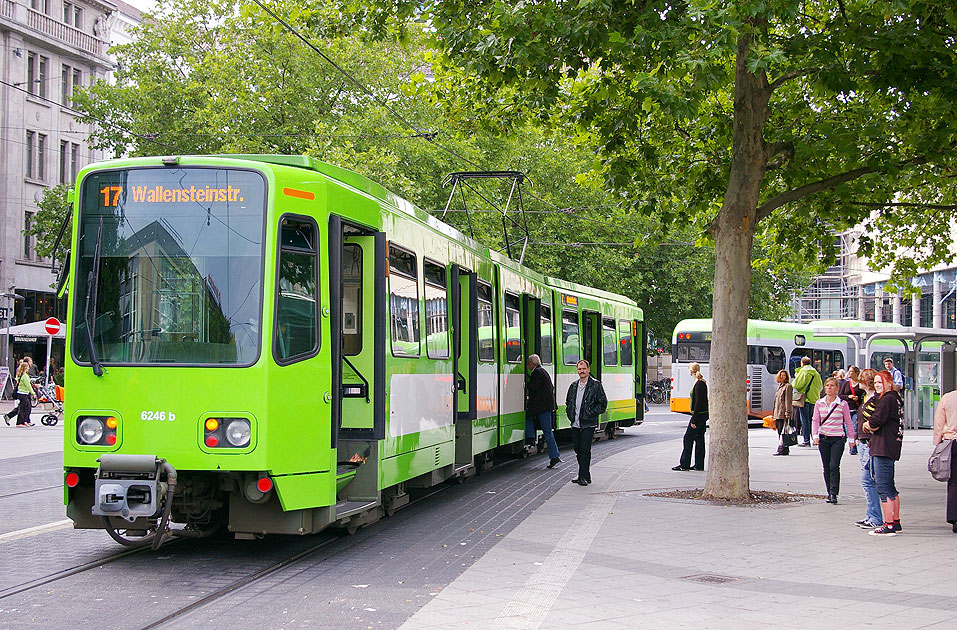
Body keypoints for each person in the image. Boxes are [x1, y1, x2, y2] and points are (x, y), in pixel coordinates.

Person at [862, 370, 904, 536]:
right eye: (876, 383)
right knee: (890, 487)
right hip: (890, 446)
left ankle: (888, 524)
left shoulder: (887, 399)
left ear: (889, 382)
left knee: (883, 487)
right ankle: (896, 521)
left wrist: (867, 425)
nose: (878, 385)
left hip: (883, 446)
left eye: (881, 382)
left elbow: (875, 422)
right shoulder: (895, 398)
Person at [812, 377, 855, 504]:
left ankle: (834, 493)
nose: (829, 388)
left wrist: (852, 438)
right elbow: (815, 420)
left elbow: (848, 422)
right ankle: (829, 492)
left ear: (837, 388)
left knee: (834, 465)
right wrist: (815, 435)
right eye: (827, 386)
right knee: (826, 467)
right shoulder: (819, 403)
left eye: (832, 386)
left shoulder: (842, 404)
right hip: (824, 438)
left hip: (838, 438)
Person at [565, 360, 607, 486]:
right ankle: (585, 474)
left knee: (585, 449)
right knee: (577, 449)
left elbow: (603, 404)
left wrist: (590, 413)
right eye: (579, 369)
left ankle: (582, 476)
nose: (581, 371)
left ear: (588, 369)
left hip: (588, 423)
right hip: (576, 423)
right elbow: (569, 402)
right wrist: (570, 414)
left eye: (583, 369)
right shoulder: (573, 386)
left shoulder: (595, 385)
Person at [854, 368, 883, 529]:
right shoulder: (866, 397)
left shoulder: (875, 400)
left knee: (867, 480)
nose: (858, 383)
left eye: (860, 380)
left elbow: (874, 421)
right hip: (863, 441)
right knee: (869, 480)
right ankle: (872, 515)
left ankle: (875, 516)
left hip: (870, 442)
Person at [525, 354, 561, 469]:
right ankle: (554, 455)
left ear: (531, 364)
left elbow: (534, 387)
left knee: (546, 431)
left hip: (542, 408)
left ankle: (531, 438)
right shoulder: (543, 371)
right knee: (547, 432)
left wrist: (526, 384)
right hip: (546, 406)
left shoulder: (536, 373)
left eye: (528, 364)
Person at [673, 362, 707, 471]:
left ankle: (685, 464)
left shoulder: (699, 384)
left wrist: (694, 419)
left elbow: (698, 403)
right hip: (703, 415)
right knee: (699, 439)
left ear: (691, 371)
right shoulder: (701, 383)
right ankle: (699, 464)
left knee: (688, 438)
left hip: (699, 415)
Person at [932, 390, 957, 534]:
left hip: (952, 442)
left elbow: (939, 423)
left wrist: (937, 444)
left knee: (953, 481)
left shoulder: (947, 398)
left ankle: (954, 517)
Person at [792, 356, 823, 447]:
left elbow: (797, 385)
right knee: (813, 420)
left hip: (805, 399)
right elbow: (820, 386)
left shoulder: (804, 372)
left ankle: (806, 440)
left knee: (804, 420)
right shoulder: (816, 373)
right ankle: (814, 438)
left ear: (802, 363)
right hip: (814, 399)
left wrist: (796, 377)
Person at [6, 359, 35, 427]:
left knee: (26, 407)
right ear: (26, 367)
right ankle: (20, 422)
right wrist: (33, 393)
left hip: (23, 393)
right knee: (23, 408)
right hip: (23, 393)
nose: (29, 367)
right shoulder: (25, 375)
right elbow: (28, 385)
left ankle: (25, 421)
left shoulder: (22, 374)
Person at [772, 369, 793, 456]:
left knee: (783, 431)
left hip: (783, 412)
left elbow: (788, 400)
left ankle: (781, 448)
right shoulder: (780, 386)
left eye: (784, 375)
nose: (782, 377)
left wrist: (788, 412)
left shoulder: (788, 386)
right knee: (780, 431)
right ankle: (784, 448)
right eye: (781, 375)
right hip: (777, 412)